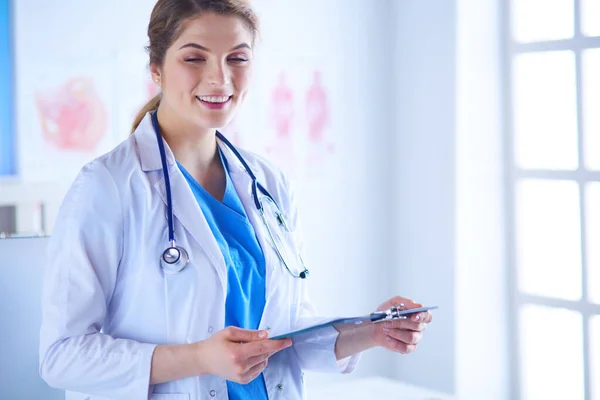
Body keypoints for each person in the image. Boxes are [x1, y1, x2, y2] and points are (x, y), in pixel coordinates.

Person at [38, 0, 434, 399]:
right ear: (156, 69)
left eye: (237, 58)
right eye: (195, 58)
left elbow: (284, 333)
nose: (219, 78)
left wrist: (369, 330)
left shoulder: (267, 183)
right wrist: (200, 359)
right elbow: (62, 356)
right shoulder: (107, 187)